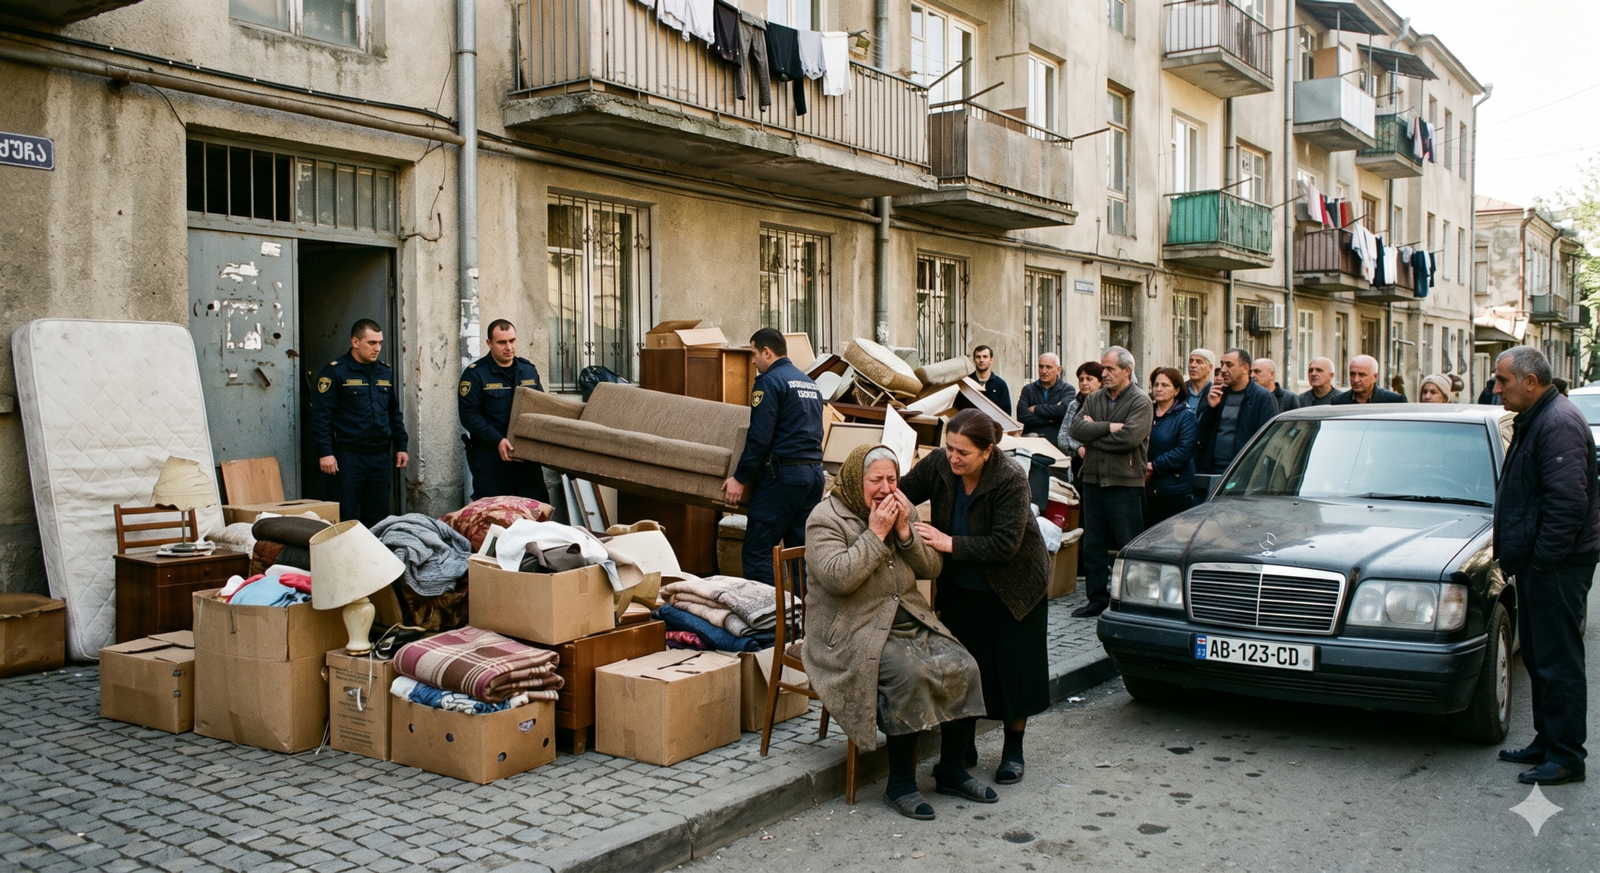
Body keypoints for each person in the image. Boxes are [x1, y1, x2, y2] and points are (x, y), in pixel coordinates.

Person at [804, 444, 989, 820]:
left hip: (907, 619)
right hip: (852, 628)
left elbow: (931, 568)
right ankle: (900, 785)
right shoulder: (825, 519)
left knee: (965, 664)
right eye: (876, 480)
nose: (886, 488)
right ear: (856, 480)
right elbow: (839, 578)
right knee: (910, 674)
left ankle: (952, 771)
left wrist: (905, 531)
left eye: (893, 479)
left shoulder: (902, 507)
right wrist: (875, 534)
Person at [901, 409, 1051, 787]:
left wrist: (948, 542)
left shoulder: (1010, 479)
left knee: (1012, 673)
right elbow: (903, 491)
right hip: (961, 586)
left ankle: (1013, 751)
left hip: (1014, 588)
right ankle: (961, 750)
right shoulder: (940, 464)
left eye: (963, 452)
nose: (953, 458)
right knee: (963, 669)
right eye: (949, 447)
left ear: (987, 452)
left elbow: (1005, 545)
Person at [1491, 346, 1600, 786]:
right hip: (1545, 564)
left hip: (1557, 567)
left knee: (1558, 661)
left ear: (1531, 382)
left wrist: (1543, 564)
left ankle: (1566, 755)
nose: (1496, 388)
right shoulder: (1539, 416)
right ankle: (1548, 740)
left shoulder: (1557, 423)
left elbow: (1568, 503)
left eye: (1503, 380)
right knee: (1540, 656)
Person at [722, 329, 825, 586]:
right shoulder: (809, 383)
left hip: (784, 477)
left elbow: (759, 437)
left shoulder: (768, 382)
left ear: (767, 352)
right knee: (799, 554)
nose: (753, 361)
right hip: (813, 476)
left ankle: (767, 611)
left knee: (758, 550)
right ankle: (802, 611)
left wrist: (740, 477)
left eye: (754, 354)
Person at [1067, 347, 1153, 618]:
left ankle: (1133, 600)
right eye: (1103, 368)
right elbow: (1075, 429)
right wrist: (1107, 427)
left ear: (1127, 371)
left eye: (1109, 369)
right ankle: (1096, 599)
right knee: (1093, 544)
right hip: (1093, 479)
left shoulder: (1141, 402)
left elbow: (1129, 439)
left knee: (1129, 544)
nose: (1103, 373)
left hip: (1125, 483)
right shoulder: (1093, 398)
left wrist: (1093, 436)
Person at [309, 319, 408, 528]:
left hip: (379, 457)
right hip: (347, 457)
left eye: (380, 343)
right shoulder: (335, 372)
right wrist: (325, 452)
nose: (377, 348)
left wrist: (401, 446)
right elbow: (320, 416)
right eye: (372, 343)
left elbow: (393, 412)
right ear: (355, 342)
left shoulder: (384, 372)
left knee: (379, 517)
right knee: (345, 515)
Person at [458, 319, 549, 502]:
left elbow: (541, 407)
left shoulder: (528, 370)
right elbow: (469, 415)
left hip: (526, 461)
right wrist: (498, 440)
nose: (509, 347)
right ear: (489, 343)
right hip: (491, 460)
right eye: (502, 342)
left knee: (536, 512)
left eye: (512, 340)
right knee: (493, 514)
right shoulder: (475, 374)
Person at [1195, 348, 1278, 474]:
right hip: (1214, 470)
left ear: (1245, 368)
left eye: (1229, 365)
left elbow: (1268, 439)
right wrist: (1210, 408)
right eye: (1222, 364)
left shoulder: (1262, 397)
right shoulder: (1219, 394)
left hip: (1244, 472)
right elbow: (1202, 435)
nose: (1223, 370)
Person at [1144, 367, 1198, 527]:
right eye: (1156, 385)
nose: (1158, 389)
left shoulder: (1186, 415)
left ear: (1177, 390)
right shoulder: (1146, 412)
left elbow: (1184, 450)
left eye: (1165, 385)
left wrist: (1153, 466)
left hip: (1174, 490)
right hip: (1147, 488)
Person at [1055, 361, 1105, 481]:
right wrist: (1078, 447)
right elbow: (1062, 437)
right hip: (1075, 465)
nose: (1084, 383)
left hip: (1100, 467)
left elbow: (1101, 434)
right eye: (1081, 379)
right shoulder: (1074, 404)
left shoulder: (1105, 405)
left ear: (1101, 382)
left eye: (1089, 379)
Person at [1016, 353, 1075, 445]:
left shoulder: (1067, 389)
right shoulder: (1028, 389)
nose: (1044, 371)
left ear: (1058, 370)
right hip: (1031, 442)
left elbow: (1064, 411)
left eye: (1048, 367)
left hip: (1056, 444)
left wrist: (1036, 409)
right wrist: (1049, 419)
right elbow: (1021, 415)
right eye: (1041, 367)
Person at [1332, 355, 1405, 404]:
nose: (1356, 380)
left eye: (1362, 375)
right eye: (1352, 374)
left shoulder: (1394, 401)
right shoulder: (1338, 401)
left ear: (1375, 377)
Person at [971, 345, 1011, 412]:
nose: (981, 360)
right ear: (974, 360)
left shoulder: (1000, 384)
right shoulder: (967, 382)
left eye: (985, 357)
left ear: (991, 360)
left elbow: (1006, 413)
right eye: (978, 357)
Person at [1182, 349, 1217, 415]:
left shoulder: (1215, 393)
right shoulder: (1180, 390)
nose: (1193, 365)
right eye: (1191, 361)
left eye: (1199, 362)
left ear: (1210, 368)